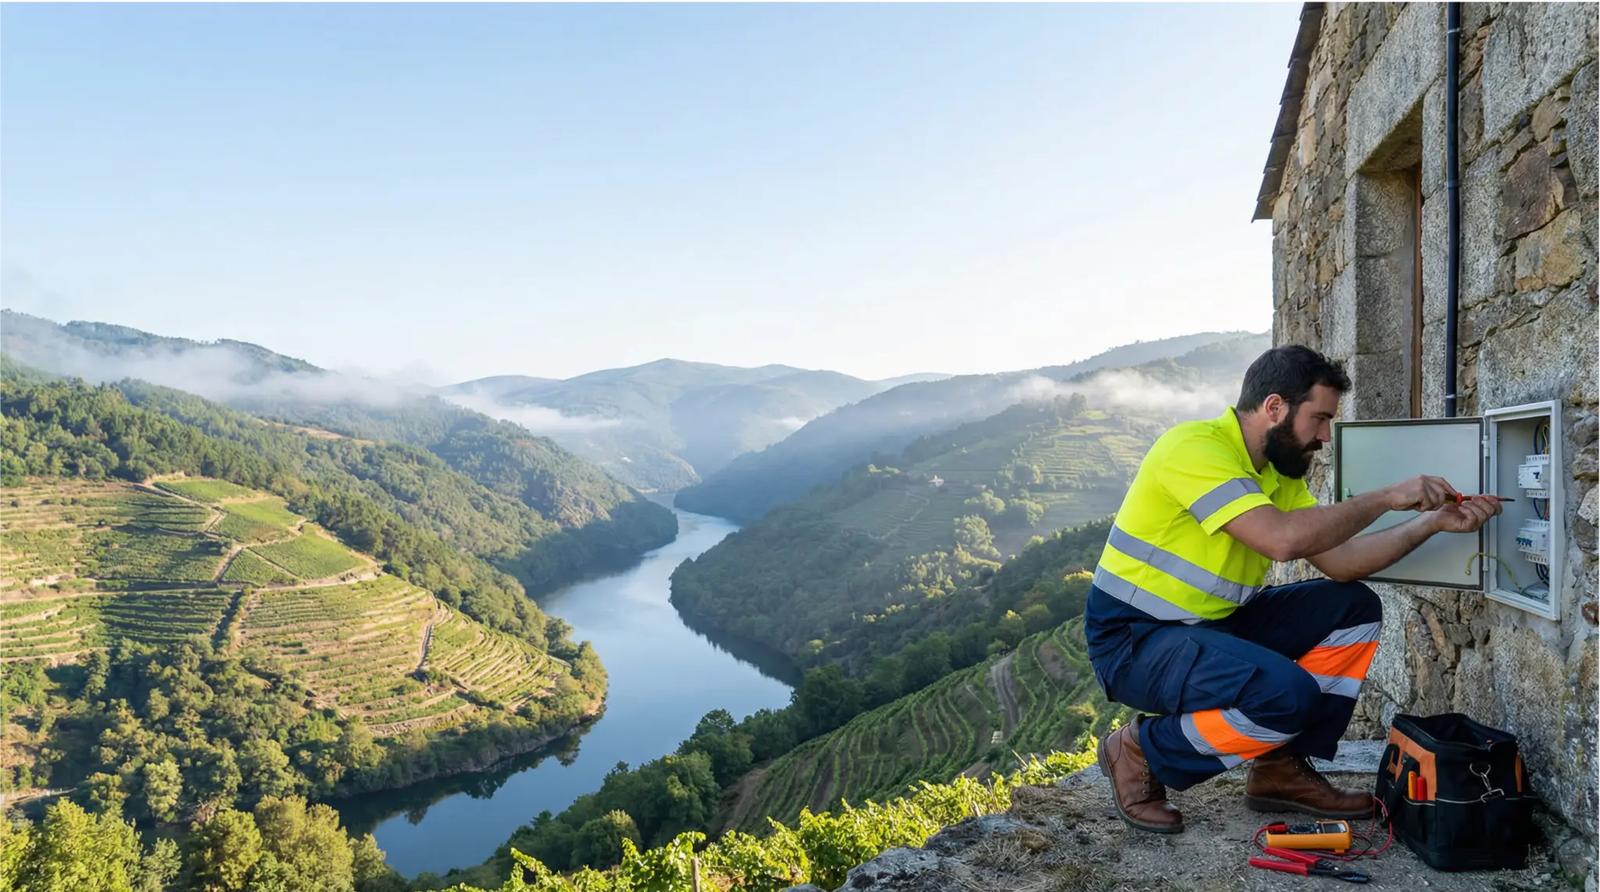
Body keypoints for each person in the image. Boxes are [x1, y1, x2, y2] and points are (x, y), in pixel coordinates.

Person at [1087, 345, 1500, 834]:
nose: (1325, 436)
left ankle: (1280, 768)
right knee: (1288, 697)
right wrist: (1389, 496)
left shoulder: (1276, 476)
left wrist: (1430, 523)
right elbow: (1281, 540)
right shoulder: (1193, 449)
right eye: (1320, 419)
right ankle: (1140, 749)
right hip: (1133, 641)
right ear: (1275, 408)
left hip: (1212, 627)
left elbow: (1343, 564)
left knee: (1354, 607)